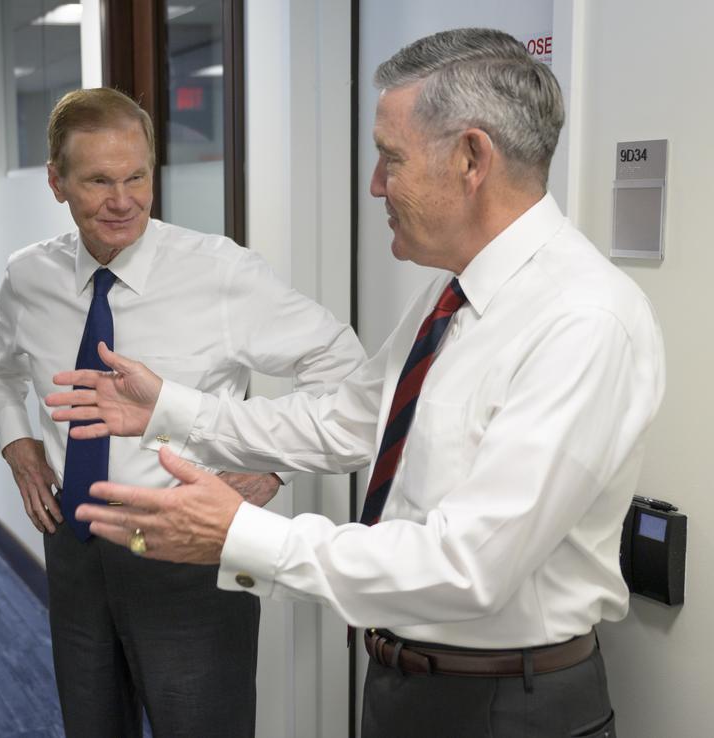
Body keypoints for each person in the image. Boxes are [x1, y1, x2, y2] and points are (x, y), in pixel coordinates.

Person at [48, 28, 664, 738]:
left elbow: (467, 566)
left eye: (389, 157)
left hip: (504, 706)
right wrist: (170, 409)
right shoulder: (451, 299)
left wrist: (242, 535)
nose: (374, 183)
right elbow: (342, 421)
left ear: (470, 158)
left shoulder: (581, 321)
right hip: (407, 681)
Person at [0, 87, 366, 737]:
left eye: (136, 177)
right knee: (92, 724)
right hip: (74, 549)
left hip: (188, 553)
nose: (121, 201)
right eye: (98, 180)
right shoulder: (29, 278)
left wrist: (270, 467)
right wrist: (18, 446)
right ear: (56, 182)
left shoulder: (220, 274)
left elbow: (342, 369)